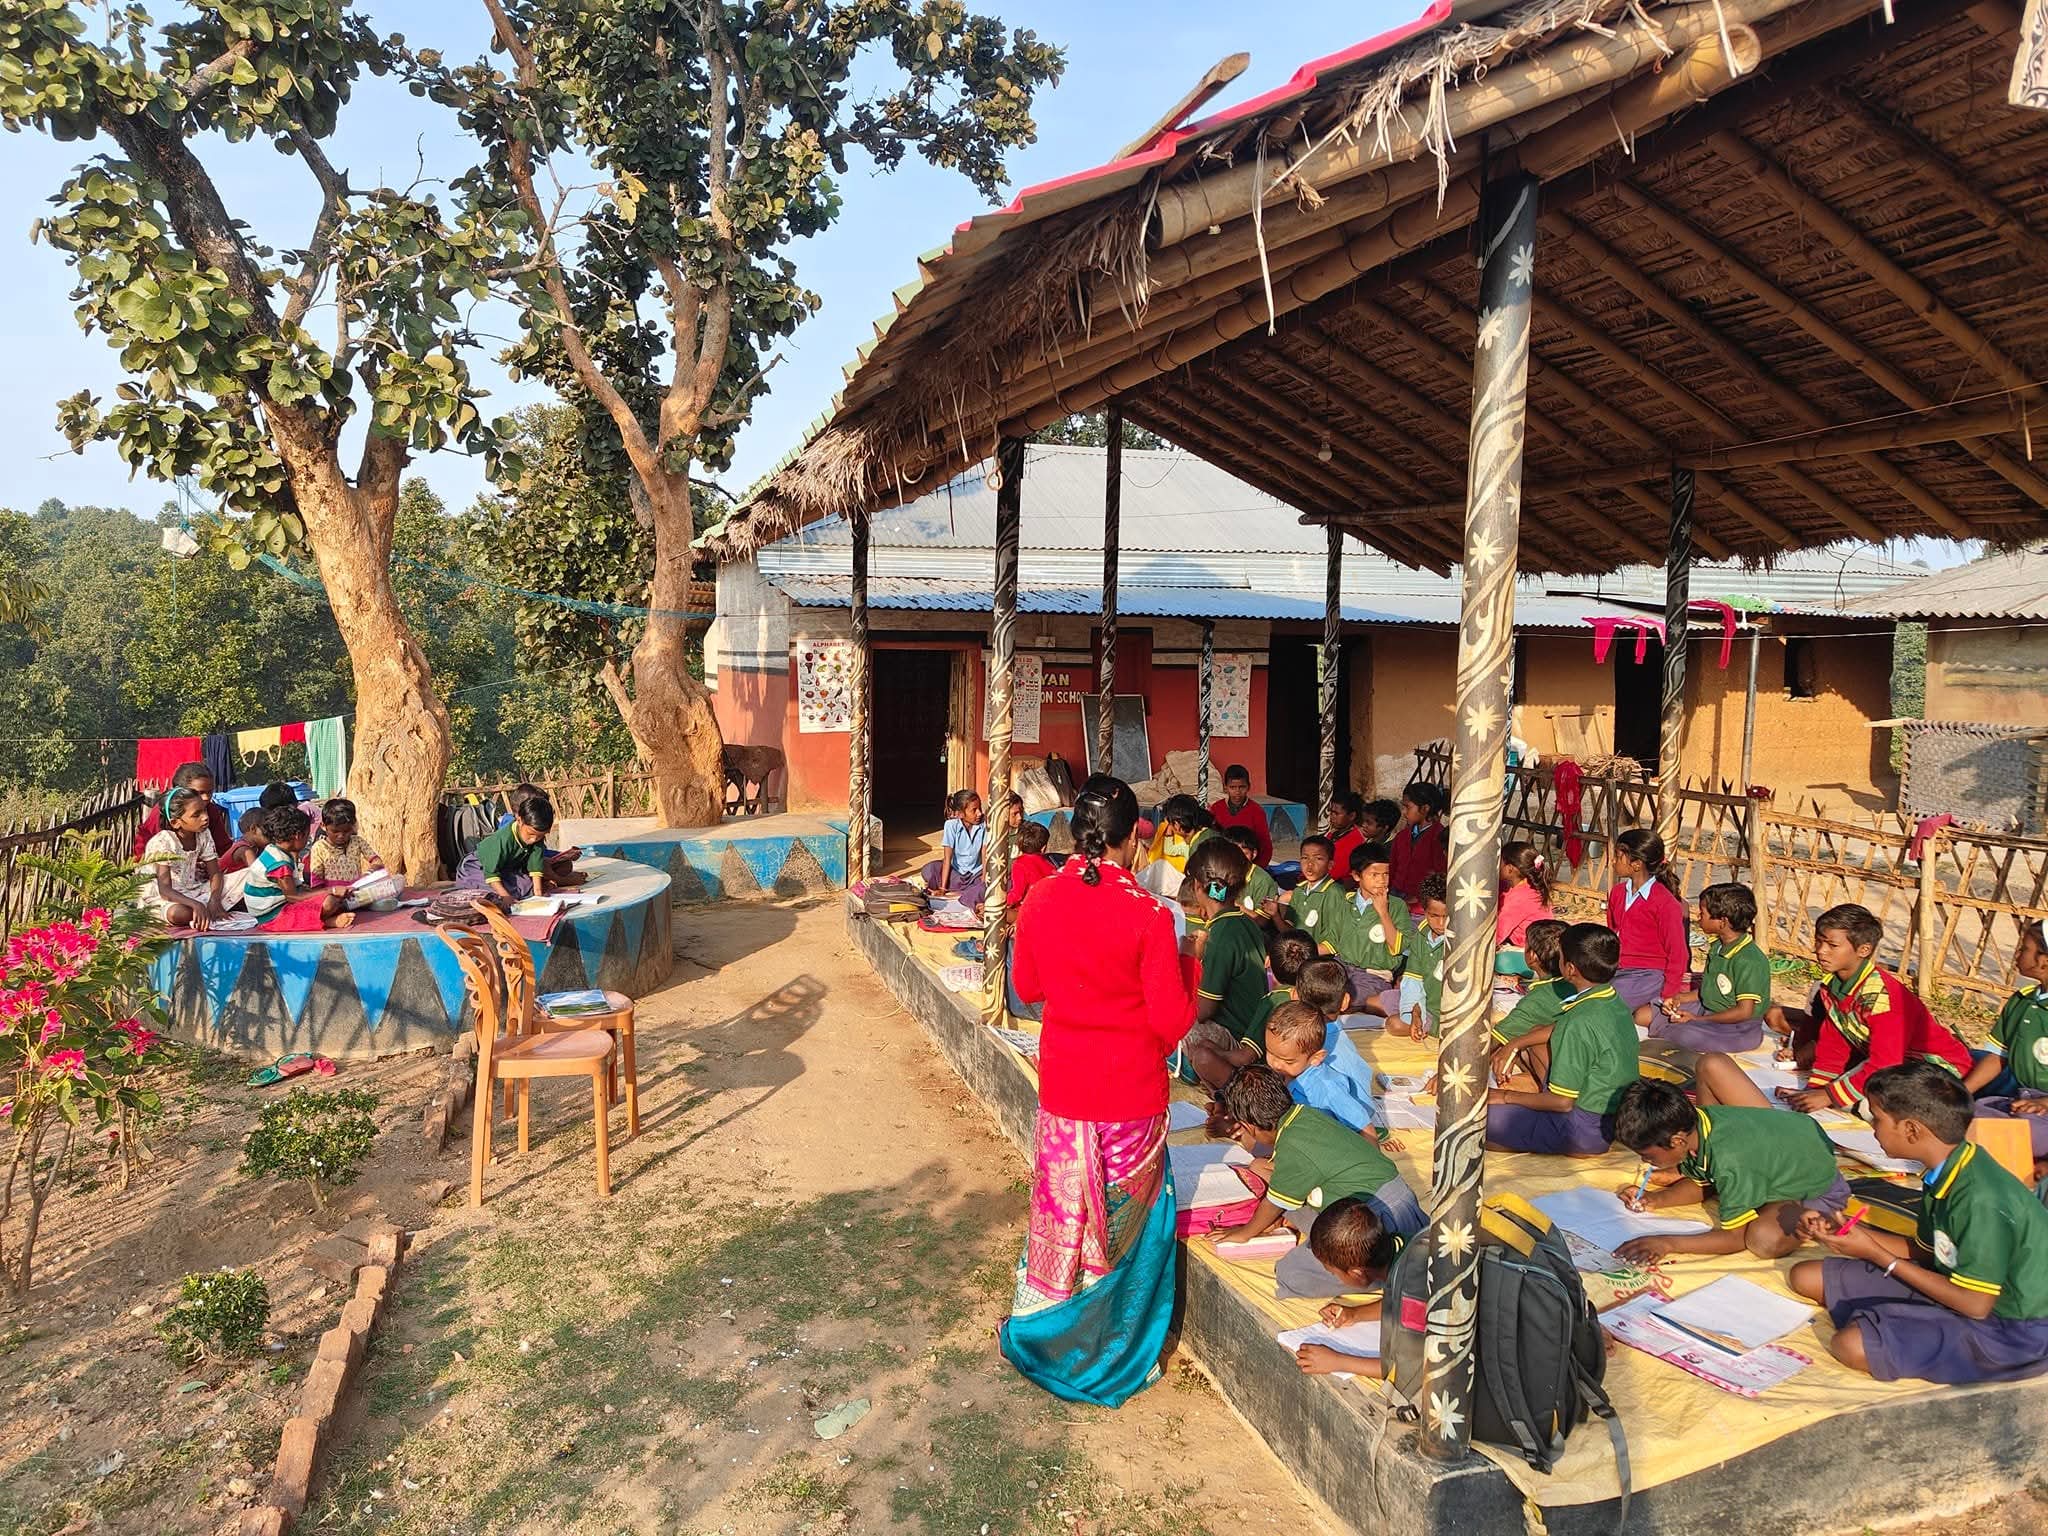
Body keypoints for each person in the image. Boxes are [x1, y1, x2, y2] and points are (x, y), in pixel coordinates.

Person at [1001, 775, 1193, 1407]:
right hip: (1131, 1095)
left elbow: (1027, 988)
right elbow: (1170, 1023)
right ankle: (1111, 1351)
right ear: (1131, 839)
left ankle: (1047, 1330)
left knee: (1062, 1215)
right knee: (1121, 1230)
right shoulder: (1149, 914)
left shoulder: (1040, 900)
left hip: (1065, 1087)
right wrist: (1190, 963)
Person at [1789, 1061, 2048, 1384]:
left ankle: (1910, 1323)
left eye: (1878, 1119)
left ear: (1911, 1130)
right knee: (1806, 1276)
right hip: (1955, 1283)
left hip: (2010, 1329)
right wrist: (1846, 1233)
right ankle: (1910, 1320)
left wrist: (1876, 1255)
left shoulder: (1981, 1198)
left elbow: (1976, 1305)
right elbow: (1928, 1253)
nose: (1872, 1128)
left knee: (1851, 1345)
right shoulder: (1947, 1169)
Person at [1205, 1065, 1425, 1299]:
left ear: (1249, 1127)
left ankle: (1387, 1275)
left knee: (1290, 1274)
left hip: (1376, 1226)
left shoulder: (1293, 1145)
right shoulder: (1304, 1114)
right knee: (1283, 1195)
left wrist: (1245, 1232)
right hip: (1391, 1205)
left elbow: (1274, 1201)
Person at [1758, 903, 1971, 1116]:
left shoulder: (1881, 996)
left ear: (1864, 950)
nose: (1820, 951)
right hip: (1891, 1062)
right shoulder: (1832, 986)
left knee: (1875, 1107)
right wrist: (1815, 1090)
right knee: (1843, 1092)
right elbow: (1834, 1043)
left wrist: (1828, 1096)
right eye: (1819, 941)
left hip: (1934, 1069)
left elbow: (1886, 1062)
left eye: (1832, 945)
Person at [1608, 1079, 1848, 1262]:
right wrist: (1656, 1199)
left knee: (1762, 1240)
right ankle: (1758, 1197)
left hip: (1815, 1188)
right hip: (1785, 1157)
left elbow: (1734, 1238)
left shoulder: (1730, 1159)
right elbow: (1703, 1178)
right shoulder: (1698, 1123)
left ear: (1677, 1142)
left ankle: (1816, 1218)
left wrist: (1667, 1244)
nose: (1645, 1161)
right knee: (1733, 1184)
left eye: (1648, 1155)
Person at [1487, 923, 1638, 1157]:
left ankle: (1539, 1138)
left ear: (1569, 969)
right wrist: (1517, 1042)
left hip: (1581, 1129)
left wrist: (1505, 1097)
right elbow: (1552, 1028)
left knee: (1477, 1120)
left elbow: (1562, 1102)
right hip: (1614, 1117)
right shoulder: (1613, 1000)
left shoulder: (1577, 1022)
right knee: (1537, 1032)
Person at [1183, 838, 1268, 1087]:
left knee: (1175, 1022)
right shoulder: (1243, 922)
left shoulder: (1221, 934)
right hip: (1252, 1029)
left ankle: (1219, 1082)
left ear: (1198, 886)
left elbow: (1204, 1010)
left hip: (1236, 1036)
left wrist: (1189, 961)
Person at [1648, 882, 1770, 1053]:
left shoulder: (1749, 960)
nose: (1699, 917)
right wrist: (1678, 999)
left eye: (1703, 913)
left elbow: (1744, 1012)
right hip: (1707, 1010)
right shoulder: (1717, 947)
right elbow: (1710, 990)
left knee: (1678, 1034)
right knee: (1644, 1014)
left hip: (1737, 1027)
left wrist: (1697, 1019)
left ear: (1722, 922)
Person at [1965, 921, 2048, 1168]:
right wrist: (1962, 1091)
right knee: (1967, 1115)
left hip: (2040, 1107)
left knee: (2019, 1130)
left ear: (2045, 961)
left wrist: (2044, 1103)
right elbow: (1997, 1056)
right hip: (2022, 1099)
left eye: (2024, 949)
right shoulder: (2021, 1001)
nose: (2017, 955)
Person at [1292, 1198, 1404, 1379]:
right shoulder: (1402, 1244)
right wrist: (1355, 1314)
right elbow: (1399, 1303)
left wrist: (1339, 1361)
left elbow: (1414, 1369)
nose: (1337, 1279)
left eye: (1335, 1273)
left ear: (1357, 1273)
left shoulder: (1412, 1286)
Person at [1264, 998, 1389, 1141]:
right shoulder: (1285, 1071)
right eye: (1270, 1052)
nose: (1276, 1064)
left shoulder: (1327, 1087)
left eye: (1288, 1061)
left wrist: (1373, 1159)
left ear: (1316, 1058)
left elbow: (1365, 1128)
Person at [1606, 828, 1689, 1020]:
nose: (1613, 861)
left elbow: (1678, 953)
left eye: (1618, 857)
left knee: (1603, 1006)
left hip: (1649, 975)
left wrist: (1670, 993)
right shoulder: (1617, 893)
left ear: (1636, 864)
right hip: (1618, 969)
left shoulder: (1665, 903)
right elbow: (1612, 935)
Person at [240, 807, 354, 930]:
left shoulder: (275, 850)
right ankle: (325, 921)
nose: (308, 840)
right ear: (298, 836)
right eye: (307, 836)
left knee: (334, 900)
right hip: (272, 918)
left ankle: (322, 919)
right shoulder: (280, 863)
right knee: (330, 902)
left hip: (276, 908)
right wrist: (331, 890)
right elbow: (293, 897)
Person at [1489, 918, 1571, 1087]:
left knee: (1522, 1038)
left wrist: (1455, 1072)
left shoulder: (1538, 999)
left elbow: (1495, 1040)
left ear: (1532, 956)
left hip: (1567, 1077)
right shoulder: (1576, 983)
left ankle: (1545, 1089)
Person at [137, 786, 224, 930]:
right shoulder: (163, 842)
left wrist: (214, 899)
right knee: (177, 914)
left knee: (245, 880)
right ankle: (202, 910)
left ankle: (207, 909)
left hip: (194, 889)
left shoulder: (204, 834)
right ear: (175, 822)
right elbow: (165, 890)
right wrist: (195, 904)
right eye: (196, 814)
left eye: (204, 810)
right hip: (163, 897)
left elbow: (215, 873)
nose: (205, 817)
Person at [457, 793, 562, 903]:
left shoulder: (536, 838)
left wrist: (538, 894)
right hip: (477, 867)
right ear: (519, 820)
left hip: (506, 869)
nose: (534, 839)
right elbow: (491, 873)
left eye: (540, 836)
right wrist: (505, 897)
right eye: (530, 834)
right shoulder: (501, 840)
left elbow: (535, 867)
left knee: (526, 886)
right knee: (493, 894)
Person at [1346, 842, 1410, 1018]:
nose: (1382, 880)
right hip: (1341, 969)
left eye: (1386, 874)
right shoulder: (1346, 901)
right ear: (1357, 876)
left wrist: (1383, 912)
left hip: (1373, 976)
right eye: (1374, 875)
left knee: (1348, 1001)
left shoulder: (1397, 906)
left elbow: (1397, 948)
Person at [130, 761, 234, 867]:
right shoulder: (164, 814)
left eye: (210, 792)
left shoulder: (210, 810)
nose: (206, 797)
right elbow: (150, 858)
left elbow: (224, 847)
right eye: (200, 792)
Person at [1279, 835, 1357, 958]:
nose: (1310, 865)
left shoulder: (1335, 894)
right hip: (1299, 956)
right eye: (1305, 858)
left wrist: (1300, 954)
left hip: (1318, 961)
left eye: (1318, 859)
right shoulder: (1300, 890)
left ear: (1330, 864)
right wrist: (1275, 915)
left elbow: (1333, 944)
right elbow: (1290, 931)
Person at [1400, 874, 1451, 1041]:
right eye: (1434, 916)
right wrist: (1416, 1013)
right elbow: (1414, 979)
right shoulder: (1421, 935)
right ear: (1424, 911)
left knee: (1394, 1025)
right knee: (1377, 1001)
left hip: (1443, 1012)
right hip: (1422, 1002)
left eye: (1447, 916)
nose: (1441, 924)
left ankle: (1431, 1026)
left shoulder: (1458, 940)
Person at [1495, 841, 1556, 975]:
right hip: (1543, 949)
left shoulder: (1520, 898)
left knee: (1498, 961)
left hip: (1535, 956)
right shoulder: (1529, 887)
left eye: (1500, 862)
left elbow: (1496, 936)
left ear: (1510, 869)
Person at [923, 789, 987, 908]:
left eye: (980, 809)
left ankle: (968, 892)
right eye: (974, 810)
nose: (979, 813)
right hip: (957, 873)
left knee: (986, 884)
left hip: (975, 874)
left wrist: (983, 879)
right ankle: (966, 892)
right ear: (960, 814)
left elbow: (984, 853)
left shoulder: (983, 825)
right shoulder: (951, 826)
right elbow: (947, 858)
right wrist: (942, 888)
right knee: (929, 869)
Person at [1388, 780, 1448, 903]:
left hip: (1421, 902)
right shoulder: (1402, 836)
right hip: (1395, 895)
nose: (1404, 812)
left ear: (1425, 808)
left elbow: (1439, 874)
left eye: (1408, 807)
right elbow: (1392, 867)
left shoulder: (1439, 837)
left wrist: (1419, 898)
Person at [307, 797, 385, 888]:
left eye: (346, 831)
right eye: (335, 831)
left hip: (356, 893)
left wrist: (368, 874)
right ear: (323, 826)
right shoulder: (319, 847)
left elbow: (377, 862)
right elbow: (317, 881)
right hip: (332, 897)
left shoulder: (357, 842)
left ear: (353, 826)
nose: (341, 836)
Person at [1208, 763, 1271, 867]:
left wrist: (1257, 869)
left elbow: (1265, 845)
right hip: (1221, 863)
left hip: (1249, 864)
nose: (1237, 792)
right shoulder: (1216, 808)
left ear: (1248, 787)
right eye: (1232, 787)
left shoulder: (1257, 811)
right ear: (1225, 788)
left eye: (1242, 787)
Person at [1221, 825, 1280, 924]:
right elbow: (1211, 902)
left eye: (1244, 854)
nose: (1237, 859)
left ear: (1254, 854)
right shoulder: (1220, 873)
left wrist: (1233, 904)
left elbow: (1262, 921)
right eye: (1232, 853)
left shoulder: (1262, 881)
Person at [1006, 819, 1059, 910]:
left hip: (1029, 909)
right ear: (1043, 848)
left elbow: (1017, 895)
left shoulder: (1020, 864)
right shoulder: (1050, 865)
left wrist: (999, 903)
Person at [1324, 792, 1367, 889]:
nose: (1332, 816)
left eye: (1336, 813)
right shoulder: (1333, 834)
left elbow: (1335, 872)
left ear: (1351, 816)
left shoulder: (1355, 840)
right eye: (1331, 812)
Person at [220, 807, 267, 877]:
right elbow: (258, 873)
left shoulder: (255, 846)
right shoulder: (244, 850)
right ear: (253, 829)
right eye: (267, 832)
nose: (271, 836)